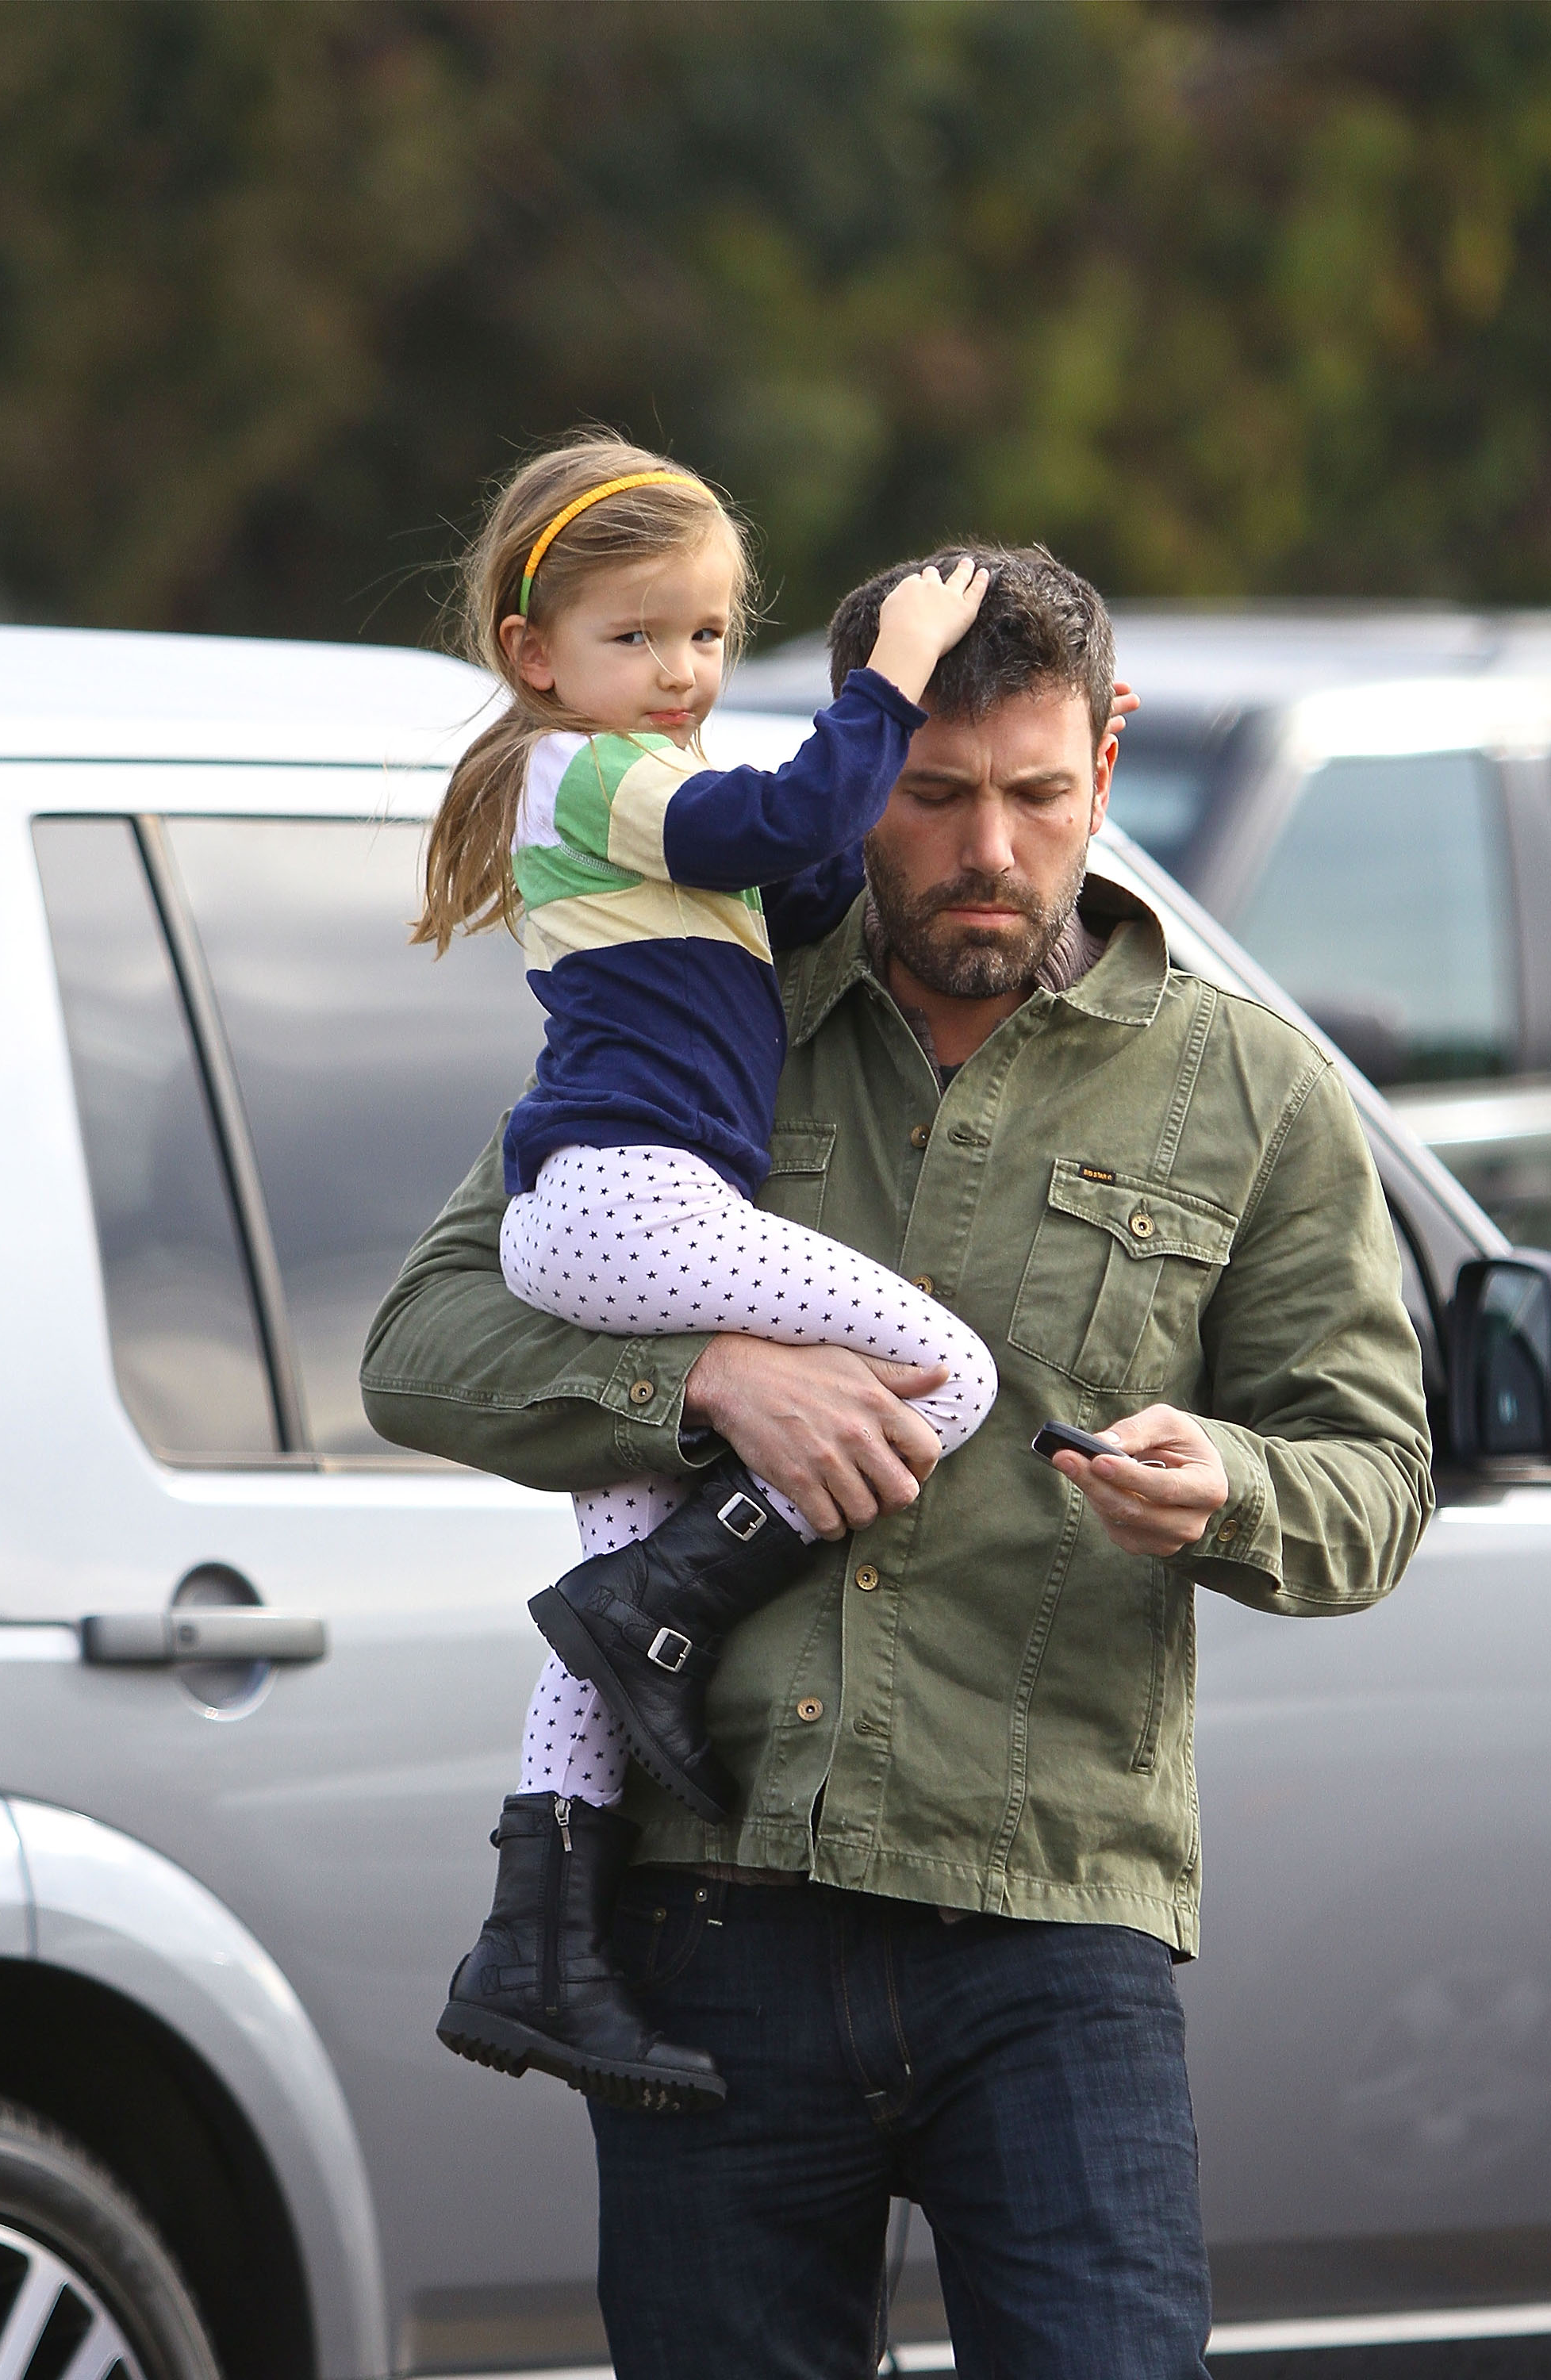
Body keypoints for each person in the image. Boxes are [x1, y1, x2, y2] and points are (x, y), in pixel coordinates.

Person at [365, 541, 1434, 2378]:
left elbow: (1373, 1475)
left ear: (1110, 749)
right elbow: (424, 1346)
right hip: (707, 1922)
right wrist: (707, 1379)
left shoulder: (1252, 1089)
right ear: (859, 762)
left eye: (1035, 794)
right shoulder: (701, 986)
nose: (990, 852)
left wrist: (1228, 1491)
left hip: (1055, 1922)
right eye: (932, 797)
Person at [411, 433, 1011, 2113]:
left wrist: (834, 827)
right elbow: (801, 810)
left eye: (706, 638)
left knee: (614, 1556)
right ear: (538, 656)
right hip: (633, 1201)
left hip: (610, 1209)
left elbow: (804, 864)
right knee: (949, 1377)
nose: (678, 674)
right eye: (637, 638)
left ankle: (535, 1949)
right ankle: (659, 1615)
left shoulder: (624, 790)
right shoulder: (582, 772)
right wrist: (887, 678)